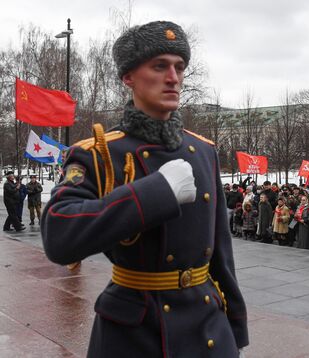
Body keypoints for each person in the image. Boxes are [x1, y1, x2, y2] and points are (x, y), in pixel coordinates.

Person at [41, 21, 248, 357]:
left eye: (179, 67)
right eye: (159, 66)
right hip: (136, 332)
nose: (173, 78)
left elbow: (221, 254)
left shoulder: (204, 150)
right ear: (128, 77)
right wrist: (157, 193)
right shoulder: (99, 153)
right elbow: (59, 237)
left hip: (207, 327)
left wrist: (235, 329)